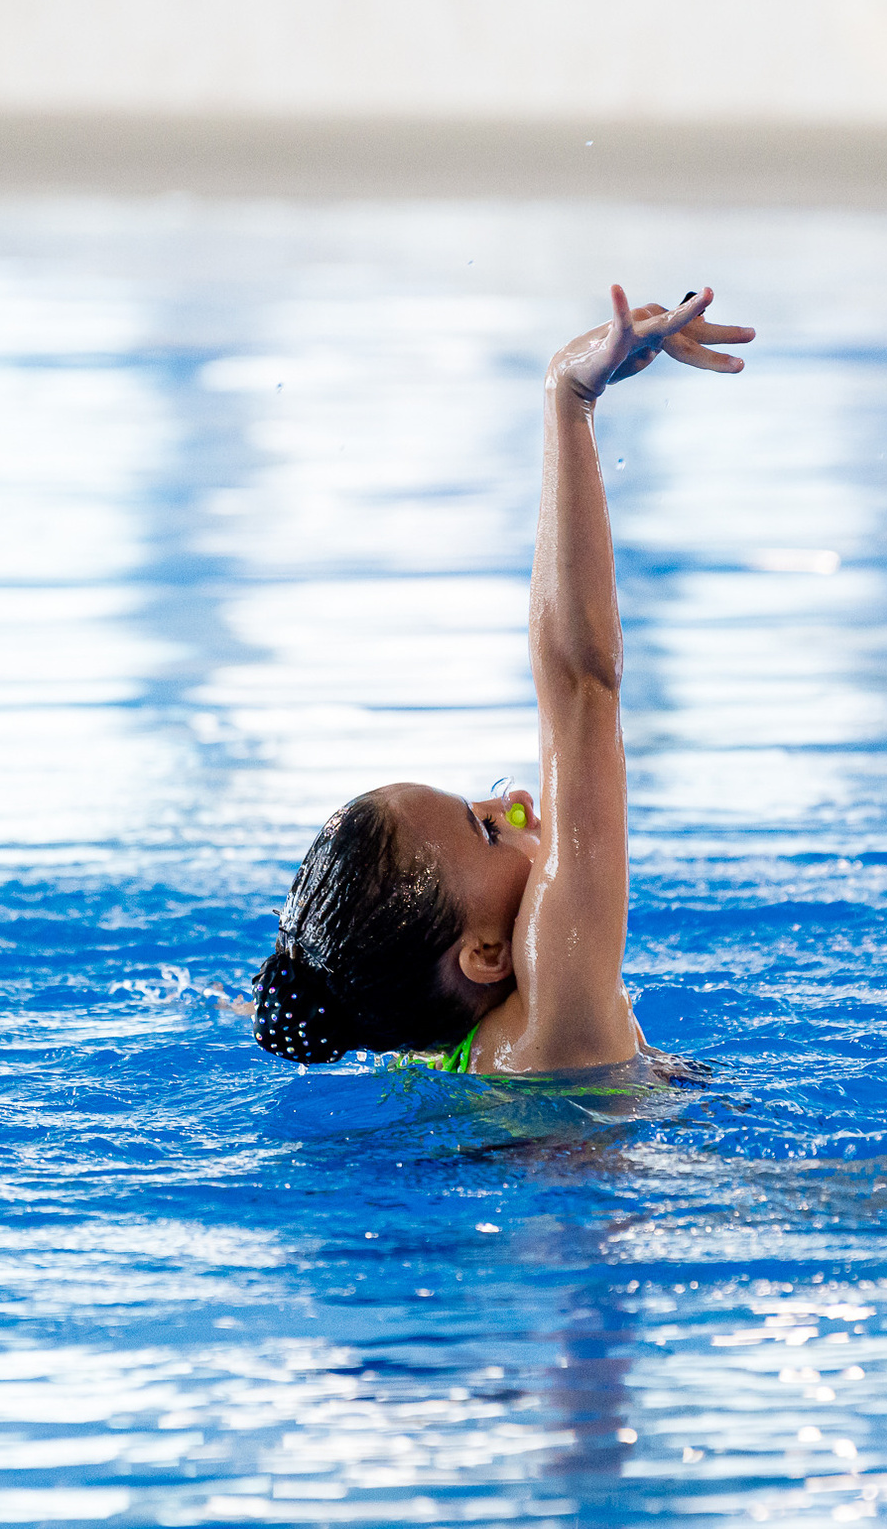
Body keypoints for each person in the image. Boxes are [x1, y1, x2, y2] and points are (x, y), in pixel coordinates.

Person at [253, 286, 754, 1075]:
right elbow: (583, 687)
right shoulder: (557, 1012)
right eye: (487, 830)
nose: (515, 799)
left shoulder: (434, 1048)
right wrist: (569, 399)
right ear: (487, 953)